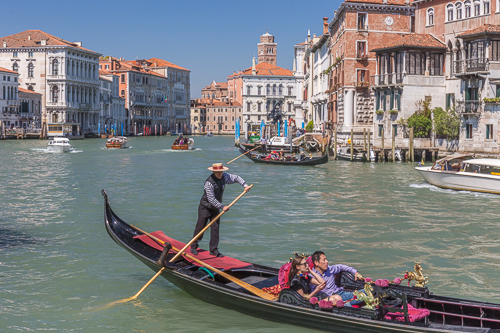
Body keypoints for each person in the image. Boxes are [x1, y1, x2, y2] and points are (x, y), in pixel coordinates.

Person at [190, 163, 251, 257]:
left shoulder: (224, 177)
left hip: (215, 208)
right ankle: (194, 246)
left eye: (221, 172)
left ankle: (213, 249)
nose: (220, 174)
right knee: (200, 227)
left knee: (215, 228)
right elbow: (211, 199)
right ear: (214, 172)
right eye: (218, 172)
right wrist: (222, 207)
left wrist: (245, 185)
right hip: (205, 207)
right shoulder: (209, 183)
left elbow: (236, 178)